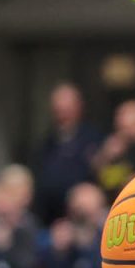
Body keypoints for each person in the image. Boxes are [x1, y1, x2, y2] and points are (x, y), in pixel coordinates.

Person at [33, 83, 104, 224]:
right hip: (50, 218)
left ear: (78, 107)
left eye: (67, 108)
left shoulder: (94, 139)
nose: (62, 113)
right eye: (58, 109)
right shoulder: (47, 143)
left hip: (84, 216)